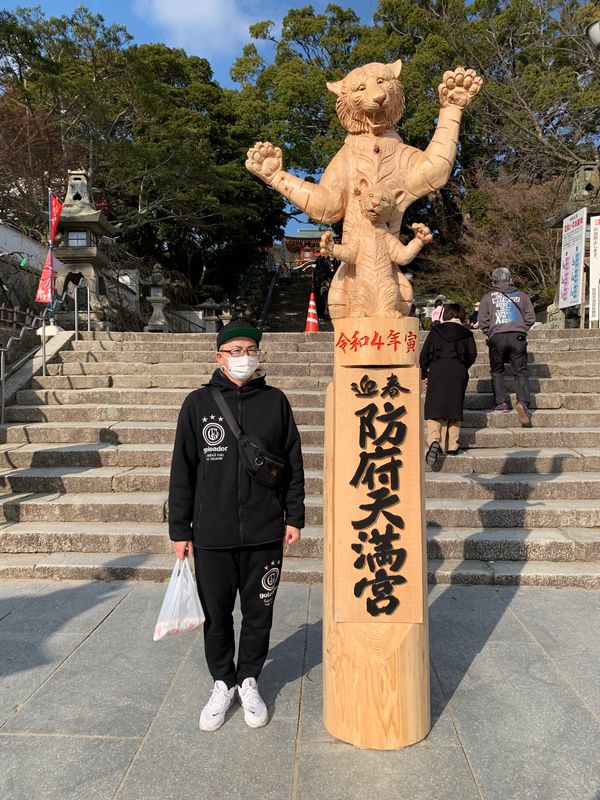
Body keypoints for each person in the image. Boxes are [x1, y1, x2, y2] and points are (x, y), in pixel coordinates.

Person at [168, 318, 305, 732]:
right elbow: (182, 470)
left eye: (250, 350)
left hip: (265, 531)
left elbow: (293, 463)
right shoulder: (197, 404)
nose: (244, 358)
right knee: (218, 614)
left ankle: (249, 679)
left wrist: (294, 516)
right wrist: (180, 529)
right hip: (212, 533)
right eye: (235, 351)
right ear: (219, 357)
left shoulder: (276, 401)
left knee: (259, 612)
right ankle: (222, 682)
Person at [420, 303, 477, 471]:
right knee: (454, 406)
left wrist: (424, 372)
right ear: (461, 315)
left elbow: (425, 354)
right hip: (458, 369)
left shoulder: (436, 331)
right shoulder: (467, 333)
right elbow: (472, 355)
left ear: (445, 314)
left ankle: (434, 440)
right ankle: (453, 445)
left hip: (438, 369)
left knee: (434, 407)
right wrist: (462, 366)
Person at [478, 267, 536, 425]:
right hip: (517, 337)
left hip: (497, 337)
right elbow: (530, 317)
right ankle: (523, 402)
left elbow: (482, 320)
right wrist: (521, 329)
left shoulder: (488, 298)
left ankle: (502, 402)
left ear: (493, 282)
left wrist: (489, 332)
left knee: (497, 370)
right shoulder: (522, 296)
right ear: (510, 279)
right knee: (520, 371)